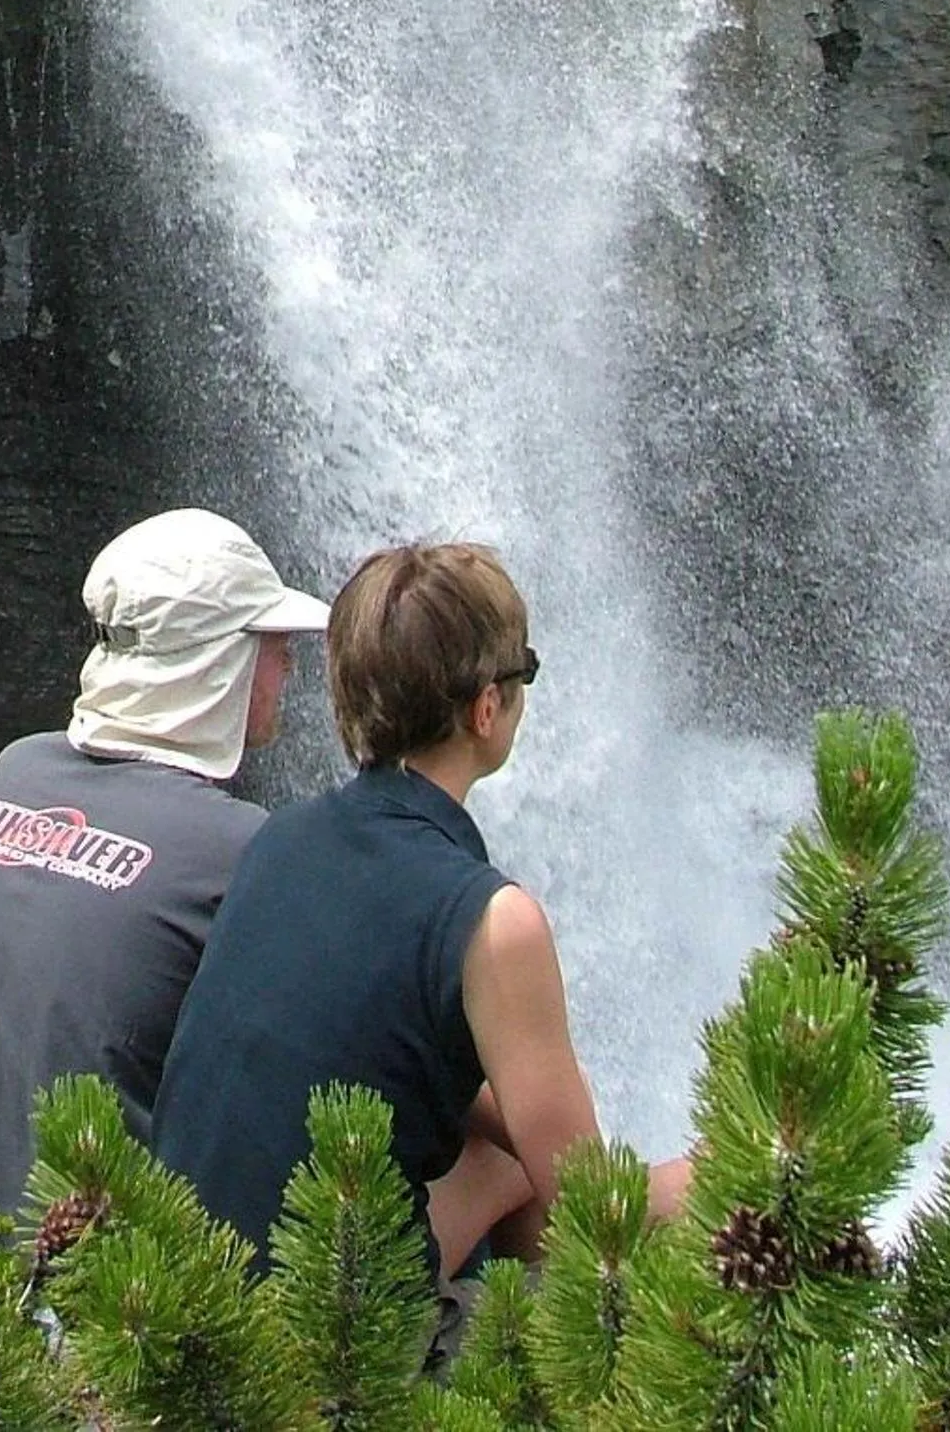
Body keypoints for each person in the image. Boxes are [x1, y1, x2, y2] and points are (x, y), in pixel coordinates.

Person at [152, 541, 691, 1276]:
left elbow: (366, 1043)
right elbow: (596, 1214)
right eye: (523, 670)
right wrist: (751, 1149)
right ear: (487, 707)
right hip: (325, 1339)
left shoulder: (279, 840)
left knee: (507, 1156)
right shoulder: (494, 922)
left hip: (184, 1290)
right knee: (527, 1180)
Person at [0, 507, 331, 1219]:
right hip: (89, 1292)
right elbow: (316, 1096)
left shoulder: (14, 769)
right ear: (217, 663)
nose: (288, 665)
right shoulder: (243, 850)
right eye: (272, 643)